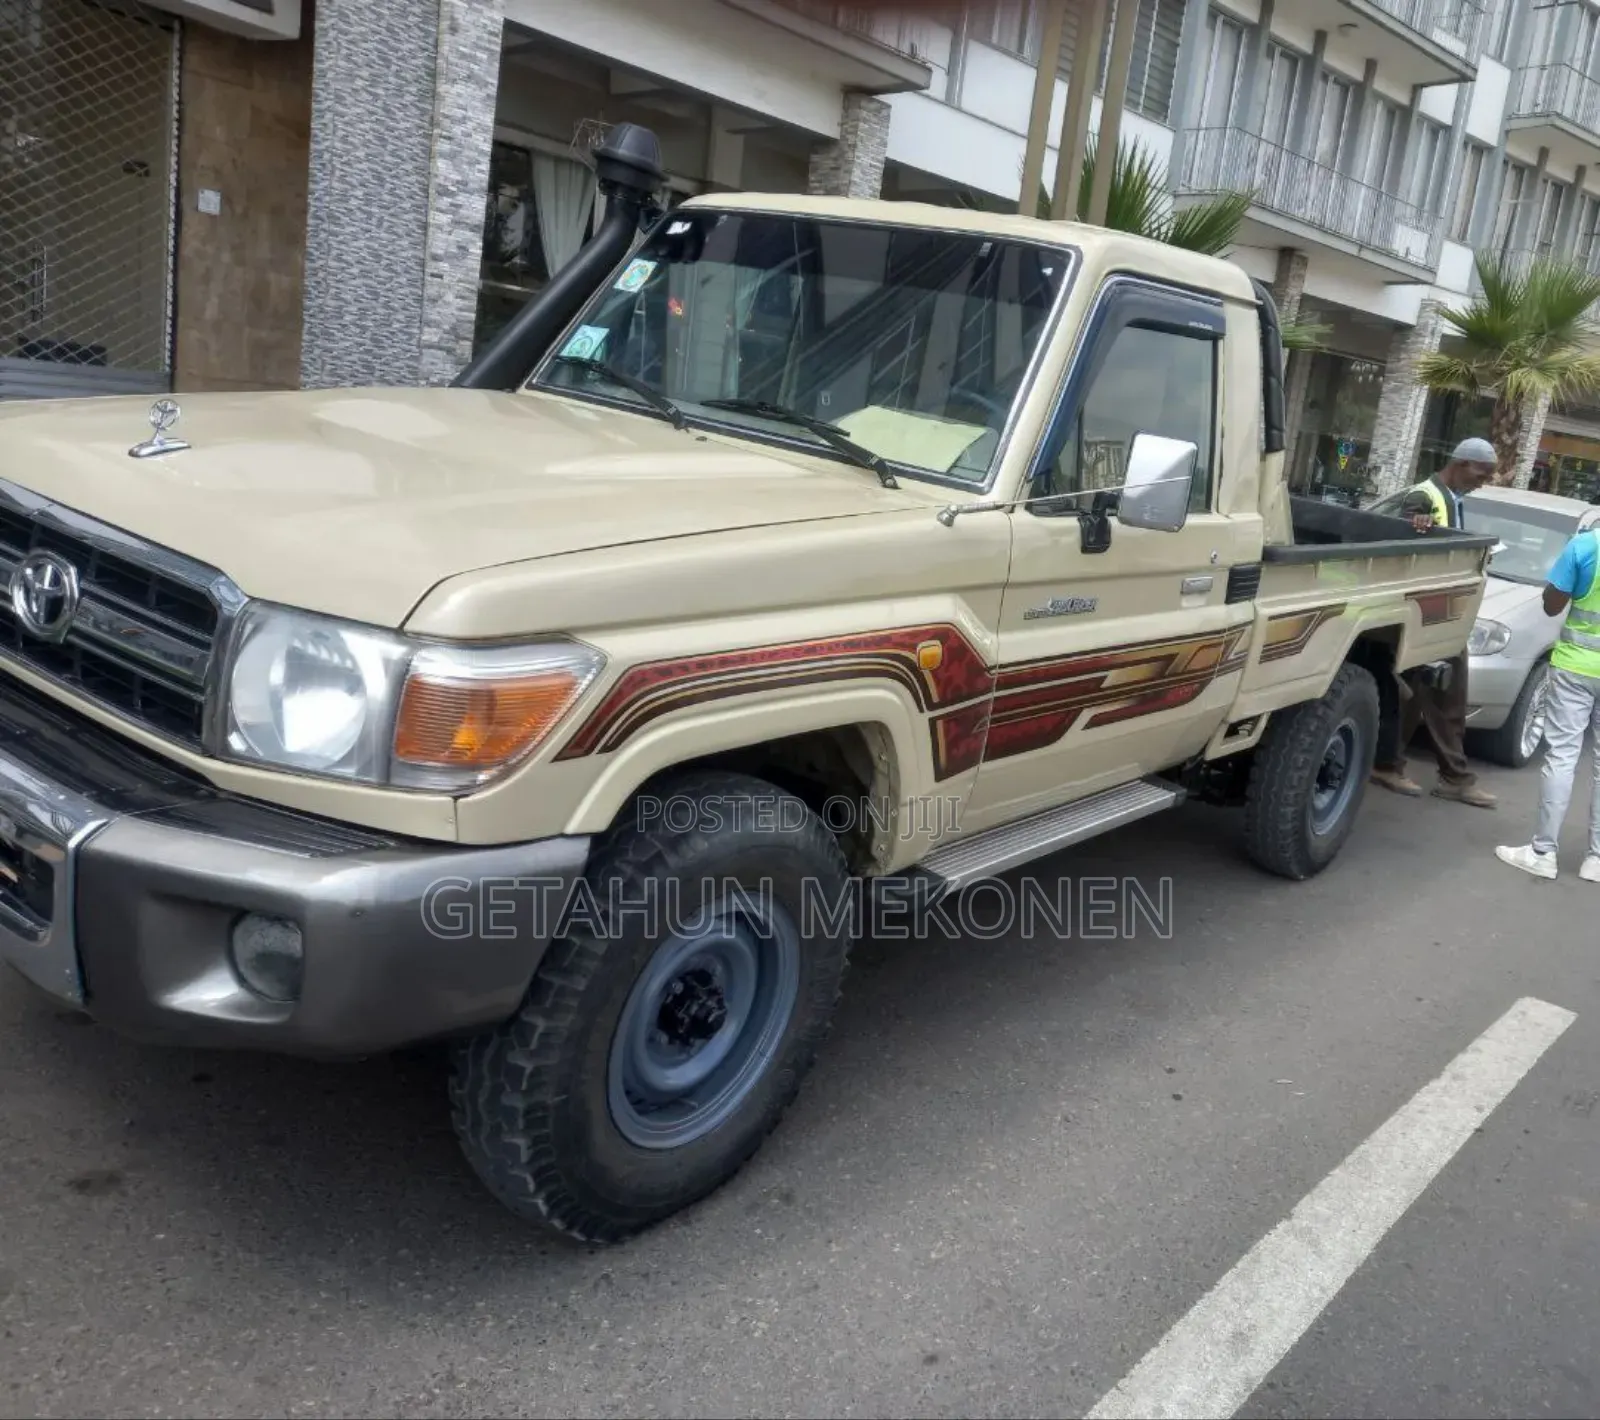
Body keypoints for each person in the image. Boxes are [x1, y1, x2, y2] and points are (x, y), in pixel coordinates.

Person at [1369, 437, 1500, 809]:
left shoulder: (1450, 498)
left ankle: (1386, 763)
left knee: (1413, 694)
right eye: (1482, 474)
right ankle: (1453, 777)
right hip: (1430, 614)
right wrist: (1417, 523)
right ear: (1461, 463)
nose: (1483, 482)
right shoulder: (1424, 497)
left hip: (1433, 612)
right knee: (1448, 698)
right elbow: (1403, 532)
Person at [1494, 517, 1600, 881]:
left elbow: (1552, 605)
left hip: (1576, 667)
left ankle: (1542, 852)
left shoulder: (1585, 546)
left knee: (1562, 756)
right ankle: (1597, 860)